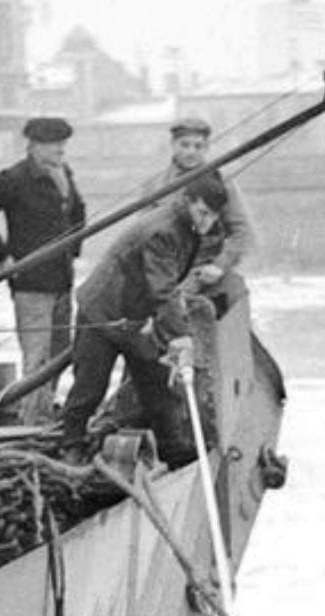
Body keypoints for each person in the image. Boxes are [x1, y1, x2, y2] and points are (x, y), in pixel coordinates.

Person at [55, 174, 230, 459]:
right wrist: (181, 336)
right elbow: (163, 291)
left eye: (212, 216)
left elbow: (171, 278)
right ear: (188, 201)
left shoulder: (189, 223)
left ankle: (172, 448)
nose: (206, 221)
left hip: (136, 313)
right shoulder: (164, 231)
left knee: (157, 384)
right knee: (89, 387)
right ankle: (70, 445)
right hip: (103, 310)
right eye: (202, 213)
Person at [0, 116, 85, 423]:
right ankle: (32, 422)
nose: (61, 149)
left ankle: (42, 413)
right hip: (31, 284)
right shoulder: (15, 178)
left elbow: (78, 213)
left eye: (62, 143)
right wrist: (2, 256)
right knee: (36, 358)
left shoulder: (64, 174)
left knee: (59, 354)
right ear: (34, 146)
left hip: (62, 280)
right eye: (54, 144)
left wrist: (72, 252)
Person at [160, 118, 255, 282]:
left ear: (207, 148)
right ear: (173, 145)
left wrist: (220, 266)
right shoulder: (156, 186)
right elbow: (145, 236)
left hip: (206, 272)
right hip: (165, 272)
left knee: (235, 289)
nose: (191, 152)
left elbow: (242, 231)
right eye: (184, 145)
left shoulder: (221, 182)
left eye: (198, 146)